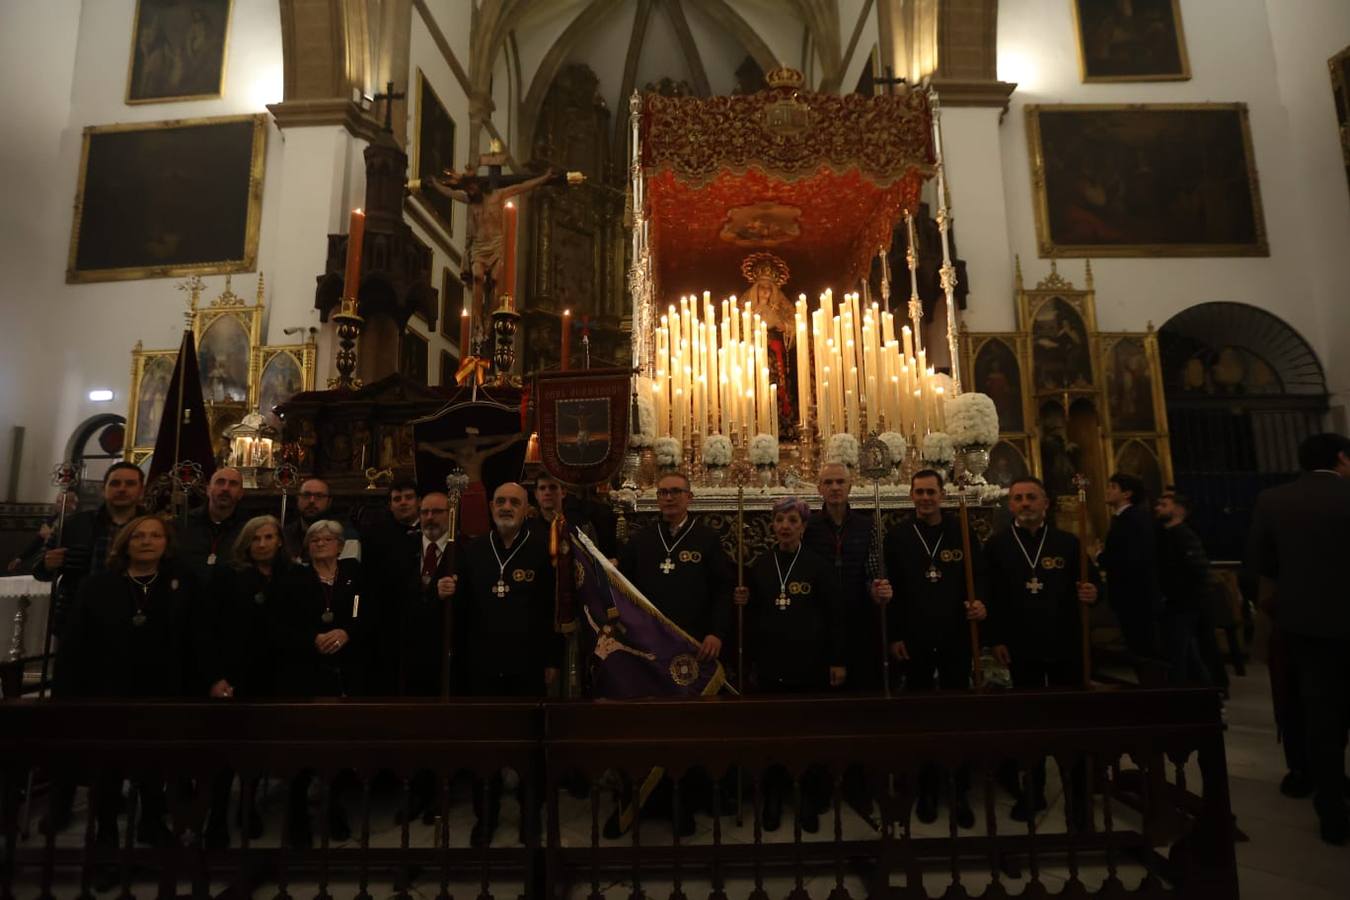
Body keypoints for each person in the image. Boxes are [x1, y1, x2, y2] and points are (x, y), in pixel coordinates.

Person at [56, 514, 196, 853]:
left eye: (155, 536)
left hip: (160, 687)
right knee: (108, 766)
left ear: (166, 544)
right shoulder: (98, 585)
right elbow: (76, 641)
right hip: (108, 686)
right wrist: (69, 691)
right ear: (125, 544)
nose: (146, 541)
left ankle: (150, 823)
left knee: (153, 762)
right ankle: (105, 836)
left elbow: (193, 638)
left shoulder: (180, 585)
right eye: (138, 536)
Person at [441, 482, 560, 847]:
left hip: (528, 664)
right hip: (481, 665)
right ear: (491, 506)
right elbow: (458, 613)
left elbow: (552, 612)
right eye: (500, 501)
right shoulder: (471, 550)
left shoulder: (543, 550)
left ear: (527, 509)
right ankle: (486, 816)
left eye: (515, 502)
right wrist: (444, 591)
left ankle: (529, 817)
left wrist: (551, 660)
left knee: (530, 746)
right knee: (485, 746)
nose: (506, 507)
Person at [1247, 433, 1350, 845]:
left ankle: (1331, 813)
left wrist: (1290, 596)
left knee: (1320, 719)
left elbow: (1258, 564)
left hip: (1305, 626)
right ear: (1342, 458)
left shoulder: (1274, 501)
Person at [33, 462, 145, 835]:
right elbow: (42, 567)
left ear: (140, 491)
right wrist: (46, 564)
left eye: (130, 484)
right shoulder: (78, 522)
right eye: (116, 483)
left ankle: (111, 803)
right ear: (106, 487)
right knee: (70, 719)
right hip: (78, 631)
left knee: (120, 722)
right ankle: (61, 801)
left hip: (129, 634)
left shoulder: (149, 527)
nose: (123, 490)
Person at [879, 469, 987, 827]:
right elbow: (890, 592)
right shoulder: (898, 536)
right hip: (916, 638)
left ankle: (958, 790)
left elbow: (980, 578)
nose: (925, 498)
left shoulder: (962, 532)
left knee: (957, 715)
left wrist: (980, 604)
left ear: (941, 494)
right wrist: (895, 636)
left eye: (931, 492)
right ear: (911, 495)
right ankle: (925, 788)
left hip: (956, 637)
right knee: (921, 715)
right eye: (919, 492)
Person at [985, 477, 1097, 822]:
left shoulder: (1068, 543)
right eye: (1018, 498)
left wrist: (1093, 594)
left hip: (1066, 644)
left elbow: (1094, 585)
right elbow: (991, 596)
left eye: (1031, 497)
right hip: (1021, 646)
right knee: (1029, 723)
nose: (1024, 503)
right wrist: (997, 639)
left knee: (1072, 723)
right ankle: (1032, 792)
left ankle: (1079, 798)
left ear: (1045, 503)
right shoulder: (998, 545)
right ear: (1010, 505)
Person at [734, 497, 844, 832]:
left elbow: (835, 617)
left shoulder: (819, 565)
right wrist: (743, 601)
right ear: (772, 525)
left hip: (809, 665)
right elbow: (752, 618)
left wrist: (837, 660)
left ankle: (807, 799)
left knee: (808, 735)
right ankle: (774, 797)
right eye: (780, 520)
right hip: (770, 665)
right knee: (772, 736)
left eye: (792, 520)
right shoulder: (760, 565)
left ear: (803, 526)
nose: (785, 526)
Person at [273, 520, 367, 846]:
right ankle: (297, 816)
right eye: (315, 539)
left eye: (328, 539)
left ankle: (332, 808)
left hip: (345, 672)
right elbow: (279, 624)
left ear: (341, 546)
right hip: (305, 672)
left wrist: (347, 632)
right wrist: (312, 638)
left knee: (338, 746)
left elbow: (367, 615)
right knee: (301, 746)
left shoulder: (354, 575)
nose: (322, 543)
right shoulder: (293, 578)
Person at [198, 515, 290, 847]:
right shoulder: (227, 575)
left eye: (269, 537)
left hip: (272, 675)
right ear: (246, 543)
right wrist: (214, 676)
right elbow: (207, 627)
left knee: (256, 750)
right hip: (234, 672)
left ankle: (248, 808)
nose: (263, 544)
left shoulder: (289, 575)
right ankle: (216, 817)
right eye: (256, 538)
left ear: (279, 540)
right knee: (225, 751)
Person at [618, 472, 732, 664]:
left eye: (675, 492)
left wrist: (716, 633)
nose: (669, 498)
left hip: (694, 638)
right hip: (649, 637)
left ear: (690, 497)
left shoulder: (707, 539)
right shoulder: (641, 539)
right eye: (663, 493)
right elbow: (624, 587)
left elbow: (723, 589)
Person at [358, 477, 421, 695]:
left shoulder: (431, 528)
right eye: (397, 499)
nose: (403, 503)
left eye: (409, 497)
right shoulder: (376, 534)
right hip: (387, 617)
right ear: (390, 505)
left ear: (418, 501)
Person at [1097, 472, 1161, 662]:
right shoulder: (1129, 518)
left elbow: (1128, 558)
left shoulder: (1131, 520)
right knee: (1139, 645)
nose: (1107, 491)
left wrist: (1099, 555)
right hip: (1133, 595)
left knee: (1143, 647)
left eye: (1113, 487)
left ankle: (1153, 688)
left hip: (1136, 595)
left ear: (1127, 494)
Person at [1154, 490, 1212, 687]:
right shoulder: (1167, 534)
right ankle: (1206, 692)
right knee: (1184, 651)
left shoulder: (1184, 535)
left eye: (1164, 505)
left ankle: (1182, 693)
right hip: (1174, 602)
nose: (1157, 508)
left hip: (1184, 602)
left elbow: (1197, 569)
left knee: (1178, 651)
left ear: (1178, 510)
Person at [176, 467, 246, 585]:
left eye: (233, 484)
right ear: (208, 490)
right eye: (220, 482)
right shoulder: (184, 523)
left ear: (241, 494)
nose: (225, 488)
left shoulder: (247, 527)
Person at [282, 477, 360, 562]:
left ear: (329, 501)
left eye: (319, 496)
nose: (311, 501)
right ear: (298, 499)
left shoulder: (346, 534)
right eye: (306, 495)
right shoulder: (284, 534)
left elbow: (349, 571)